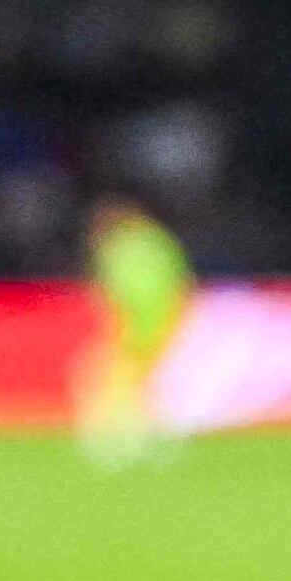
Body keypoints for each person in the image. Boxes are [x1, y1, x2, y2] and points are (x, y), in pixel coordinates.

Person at [73, 195, 193, 468]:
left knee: (109, 382)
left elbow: (124, 293)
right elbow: (179, 283)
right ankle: (154, 442)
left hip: (138, 329)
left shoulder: (123, 249)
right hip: (163, 325)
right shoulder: (159, 243)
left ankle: (117, 445)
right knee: (140, 386)